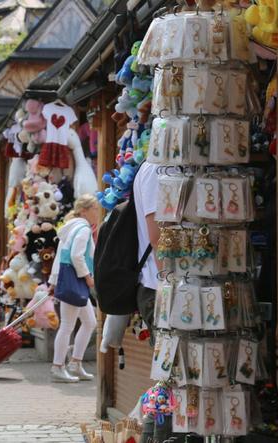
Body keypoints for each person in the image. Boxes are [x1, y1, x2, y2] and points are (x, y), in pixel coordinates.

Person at [48, 195, 99, 383]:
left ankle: (74, 363)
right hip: (76, 282)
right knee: (68, 325)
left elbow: (60, 257)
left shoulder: (71, 227)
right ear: (84, 210)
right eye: (94, 208)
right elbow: (77, 257)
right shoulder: (83, 229)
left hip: (70, 282)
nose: (97, 212)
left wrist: (53, 281)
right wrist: (88, 277)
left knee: (89, 322)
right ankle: (58, 366)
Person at [132, 161, 165, 442]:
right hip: (159, 288)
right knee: (167, 376)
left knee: (167, 375)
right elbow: (157, 237)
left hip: (159, 288)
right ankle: (153, 436)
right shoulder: (156, 169)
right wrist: (171, 284)